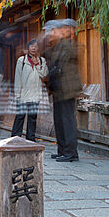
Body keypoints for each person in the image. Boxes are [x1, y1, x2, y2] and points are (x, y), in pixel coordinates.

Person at [47, 19, 82, 162]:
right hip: (59, 87)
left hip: (67, 86)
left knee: (67, 120)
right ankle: (62, 149)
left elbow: (60, 65)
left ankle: (70, 152)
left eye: (67, 28)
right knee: (59, 120)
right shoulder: (59, 45)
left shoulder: (71, 45)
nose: (64, 30)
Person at [11, 39, 47, 141]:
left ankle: (31, 139)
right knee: (20, 117)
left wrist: (37, 65)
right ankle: (15, 138)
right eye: (32, 46)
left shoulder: (42, 61)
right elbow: (17, 78)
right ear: (28, 48)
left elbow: (44, 75)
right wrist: (17, 94)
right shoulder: (21, 60)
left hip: (35, 95)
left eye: (36, 46)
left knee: (32, 118)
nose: (34, 48)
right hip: (23, 94)